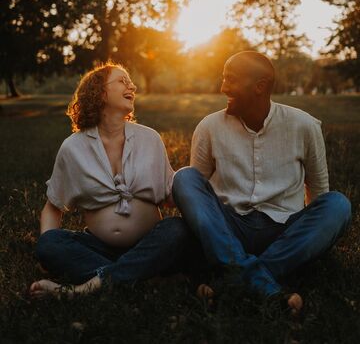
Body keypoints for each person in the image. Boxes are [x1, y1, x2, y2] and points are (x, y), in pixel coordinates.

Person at [172, 51, 351, 313]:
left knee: (337, 204)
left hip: (283, 230)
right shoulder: (209, 126)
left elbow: (319, 192)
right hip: (228, 229)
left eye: (230, 80)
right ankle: (263, 282)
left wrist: (307, 238)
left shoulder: (304, 125)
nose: (223, 88)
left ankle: (233, 277)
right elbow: (198, 196)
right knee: (184, 177)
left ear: (260, 86)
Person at [30, 62, 192, 298]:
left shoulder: (150, 139)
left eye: (131, 82)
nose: (132, 86)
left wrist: (196, 187)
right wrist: (47, 247)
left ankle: (86, 288)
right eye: (122, 81)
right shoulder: (73, 147)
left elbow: (169, 196)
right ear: (100, 92)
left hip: (148, 244)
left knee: (176, 229)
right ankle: (142, 278)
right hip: (98, 248)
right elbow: (52, 208)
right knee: (49, 244)